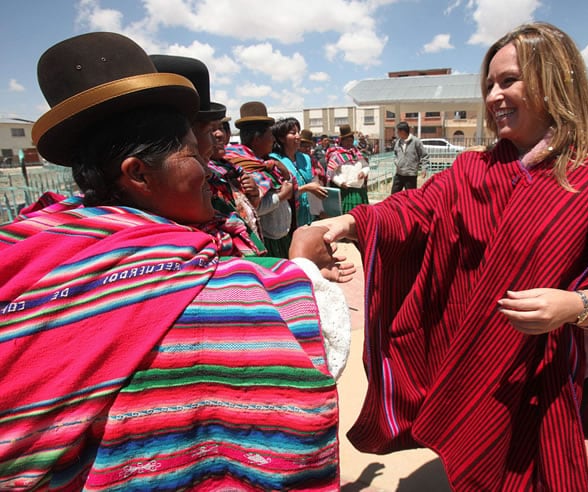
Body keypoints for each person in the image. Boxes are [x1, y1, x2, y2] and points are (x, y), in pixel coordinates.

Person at [301, 22, 588, 490]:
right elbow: (417, 209)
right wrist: (348, 223)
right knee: (472, 467)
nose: (495, 96)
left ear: (553, 81)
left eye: (509, 80)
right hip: (470, 353)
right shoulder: (474, 168)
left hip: (539, 375)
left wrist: (573, 307)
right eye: (490, 84)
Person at [0, 32, 352, 490]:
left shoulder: (35, 243)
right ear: (138, 173)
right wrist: (300, 269)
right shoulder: (187, 289)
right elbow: (287, 362)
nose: (209, 167)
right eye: (192, 153)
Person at [151, 54, 265, 252]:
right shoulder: (187, 196)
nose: (215, 137)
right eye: (207, 130)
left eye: (219, 129)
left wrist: (253, 198)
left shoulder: (219, 177)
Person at [225, 102, 295, 258]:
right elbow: (251, 208)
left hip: (280, 238)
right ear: (257, 138)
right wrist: (283, 196)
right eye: (270, 136)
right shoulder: (241, 168)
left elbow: (287, 179)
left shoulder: (264, 163)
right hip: (267, 242)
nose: (273, 141)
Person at [269, 118, 328, 227]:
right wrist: (306, 188)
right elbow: (279, 194)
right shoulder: (275, 161)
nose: (298, 136)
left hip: (309, 214)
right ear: (281, 138)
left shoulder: (305, 158)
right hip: (289, 218)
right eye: (293, 133)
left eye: (298, 132)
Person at [326, 124, 370, 214]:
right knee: (347, 215)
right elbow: (332, 173)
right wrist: (340, 182)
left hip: (359, 191)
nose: (349, 143)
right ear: (341, 141)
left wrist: (363, 172)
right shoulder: (336, 155)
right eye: (346, 141)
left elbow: (366, 166)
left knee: (361, 216)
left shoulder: (358, 154)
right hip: (346, 191)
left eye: (351, 140)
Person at [391, 121, 429, 193]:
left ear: (403, 131)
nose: (397, 133)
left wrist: (424, 169)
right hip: (399, 174)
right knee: (394, 195)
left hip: (411, 175)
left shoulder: (416, 142)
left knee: (410, 197)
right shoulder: (398, 142)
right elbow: (395, 154)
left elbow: (424, 155)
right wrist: (396, 162)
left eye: (398, 131)